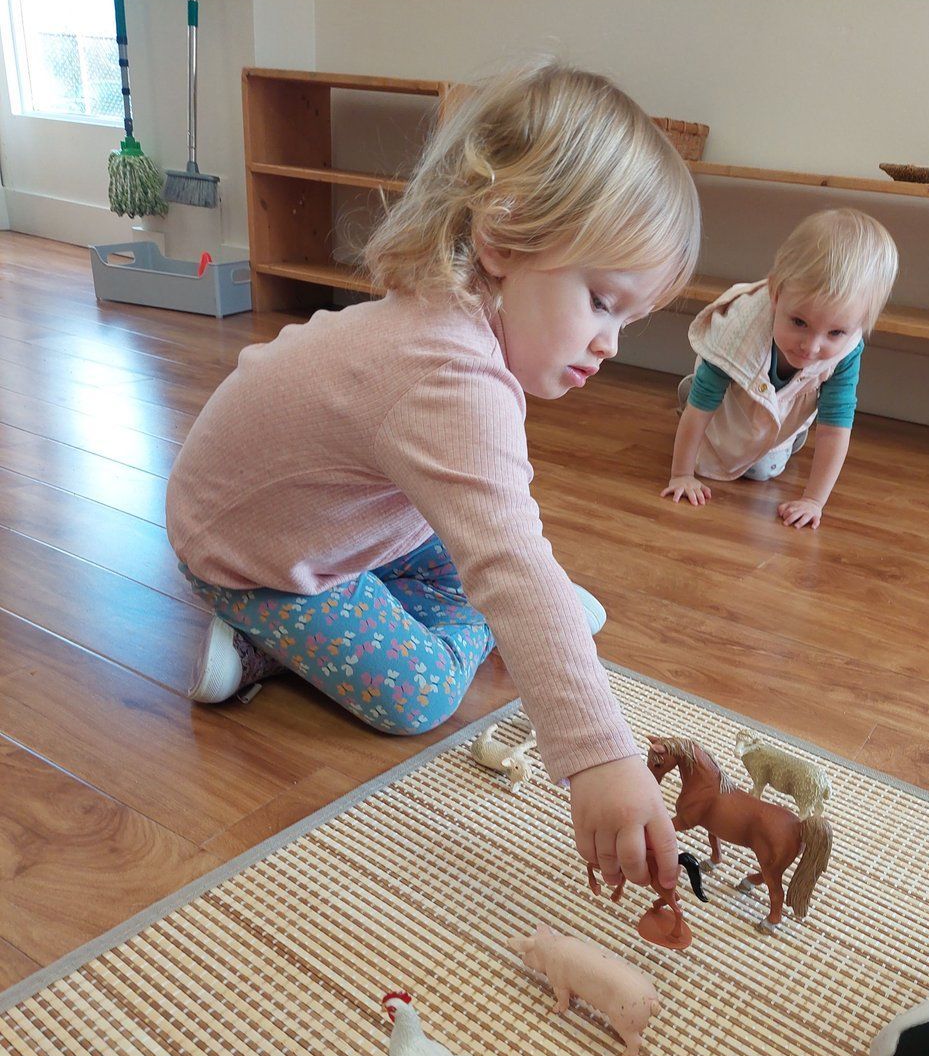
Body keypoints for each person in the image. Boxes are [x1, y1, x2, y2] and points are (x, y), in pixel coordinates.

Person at [165, 59, 701, 895]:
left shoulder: (457, 325)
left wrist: (528, 601)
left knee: (509, 581)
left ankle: (500, 623)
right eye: (602, 301)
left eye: (628, 318)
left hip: (339, 516)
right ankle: (256, 639)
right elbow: (509, 562)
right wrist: (600, 754)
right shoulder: (447, 375)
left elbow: (499, 537)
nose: (611, 343)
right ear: (502, 237)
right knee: (421, 692)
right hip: (254, 554)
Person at [660, 208, 898, 528]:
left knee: (763, 470)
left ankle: (791, 434)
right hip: (735, 396)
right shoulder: (738, 330)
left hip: (785, 407)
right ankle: (691, 389)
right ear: (775, 293)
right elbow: (702, 408)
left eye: (835, 333)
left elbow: (834, 429)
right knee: (712, 438)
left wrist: (813, 500)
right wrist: (681, 474)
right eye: (799, 322)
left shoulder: (847, 351)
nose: (811, 347)